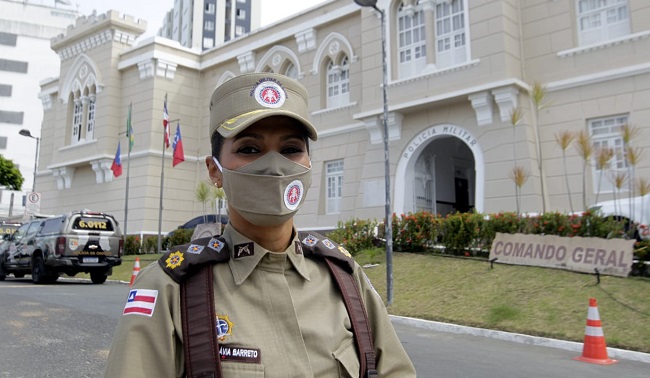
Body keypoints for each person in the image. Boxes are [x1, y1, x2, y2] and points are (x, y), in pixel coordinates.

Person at [104, 72, 416, 377]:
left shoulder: (345, 280)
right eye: (249, 150)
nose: (274, 166)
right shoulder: (170, 287)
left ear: (308, 165)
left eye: (291, 149)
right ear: (215, 171)